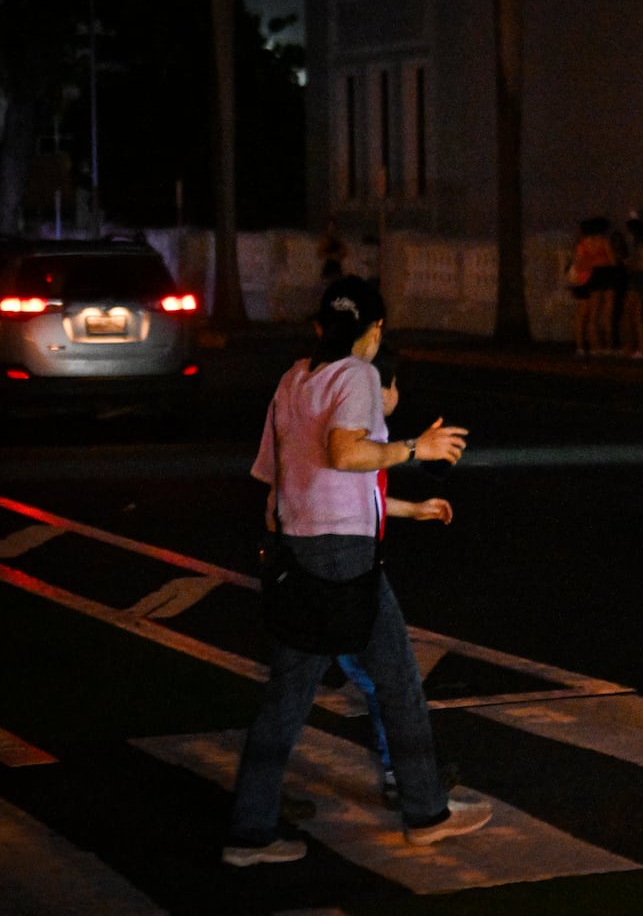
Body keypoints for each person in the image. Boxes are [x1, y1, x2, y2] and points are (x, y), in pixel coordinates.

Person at [224, 276, 489, 866]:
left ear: (321, 327)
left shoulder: (294, 379)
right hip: (344, 558)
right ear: (375, 330)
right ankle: (425, 811)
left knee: (287, 697)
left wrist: (403, 506)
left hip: (294, 551)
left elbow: (279, 476)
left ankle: (250, 829)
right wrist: (416, 449)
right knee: (397, 681)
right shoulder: (359, 376)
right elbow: (346, 454)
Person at [335, 342, 456, 812]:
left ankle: (256, 806)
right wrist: (414, 450)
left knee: (295, 690)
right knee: (390, 680)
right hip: (346, 569)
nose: (396, 392)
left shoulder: (360, 431)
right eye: (394, 384)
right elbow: (349, 492)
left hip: (327, 567)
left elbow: (364, 500)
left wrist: (413, 509)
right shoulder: (361, 438)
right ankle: (407, 783)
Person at [569, 216, 616, 357]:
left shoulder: (583, 244)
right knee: (607, 313)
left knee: (593, 314)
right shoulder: (603, 241)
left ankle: (595, 347)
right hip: (606, 274)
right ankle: (607, 346)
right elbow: (612, 260)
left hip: (593, 275)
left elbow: (579, 263)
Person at [619, 216, 643, 359]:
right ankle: (630, 347)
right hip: (635, 279)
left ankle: (641, 348)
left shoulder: (642, 244)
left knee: (636, 315)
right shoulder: (636, 243)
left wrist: (629, 264)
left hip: (639, 280)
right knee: (629, 314)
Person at [317, 216, 348, 281]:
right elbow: (320, 253)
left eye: (333, 226)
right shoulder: (325, 239)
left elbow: (344, 252)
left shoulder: (338, 239)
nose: (332, 228)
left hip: (336, 267)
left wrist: (338, 255)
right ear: (328, 227)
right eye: (330, 226)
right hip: (328, 266)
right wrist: (331, 256)